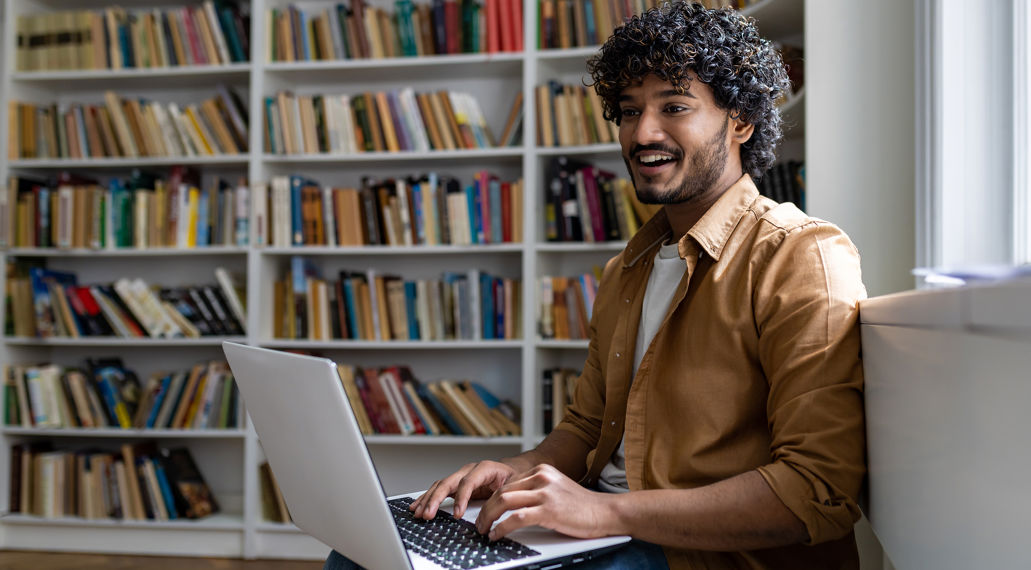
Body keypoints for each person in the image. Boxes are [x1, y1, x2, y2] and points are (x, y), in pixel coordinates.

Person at [327, 2, 867, 569]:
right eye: (629, 111)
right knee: (363, 555)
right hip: (602, 532)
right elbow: (589, 428)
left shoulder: (799, 254)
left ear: (741, 121)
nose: (643, 133)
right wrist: (520, 469)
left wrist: (605, 513)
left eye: (674, 107)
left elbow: (817, 491)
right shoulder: (625, 271)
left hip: (695, 553)